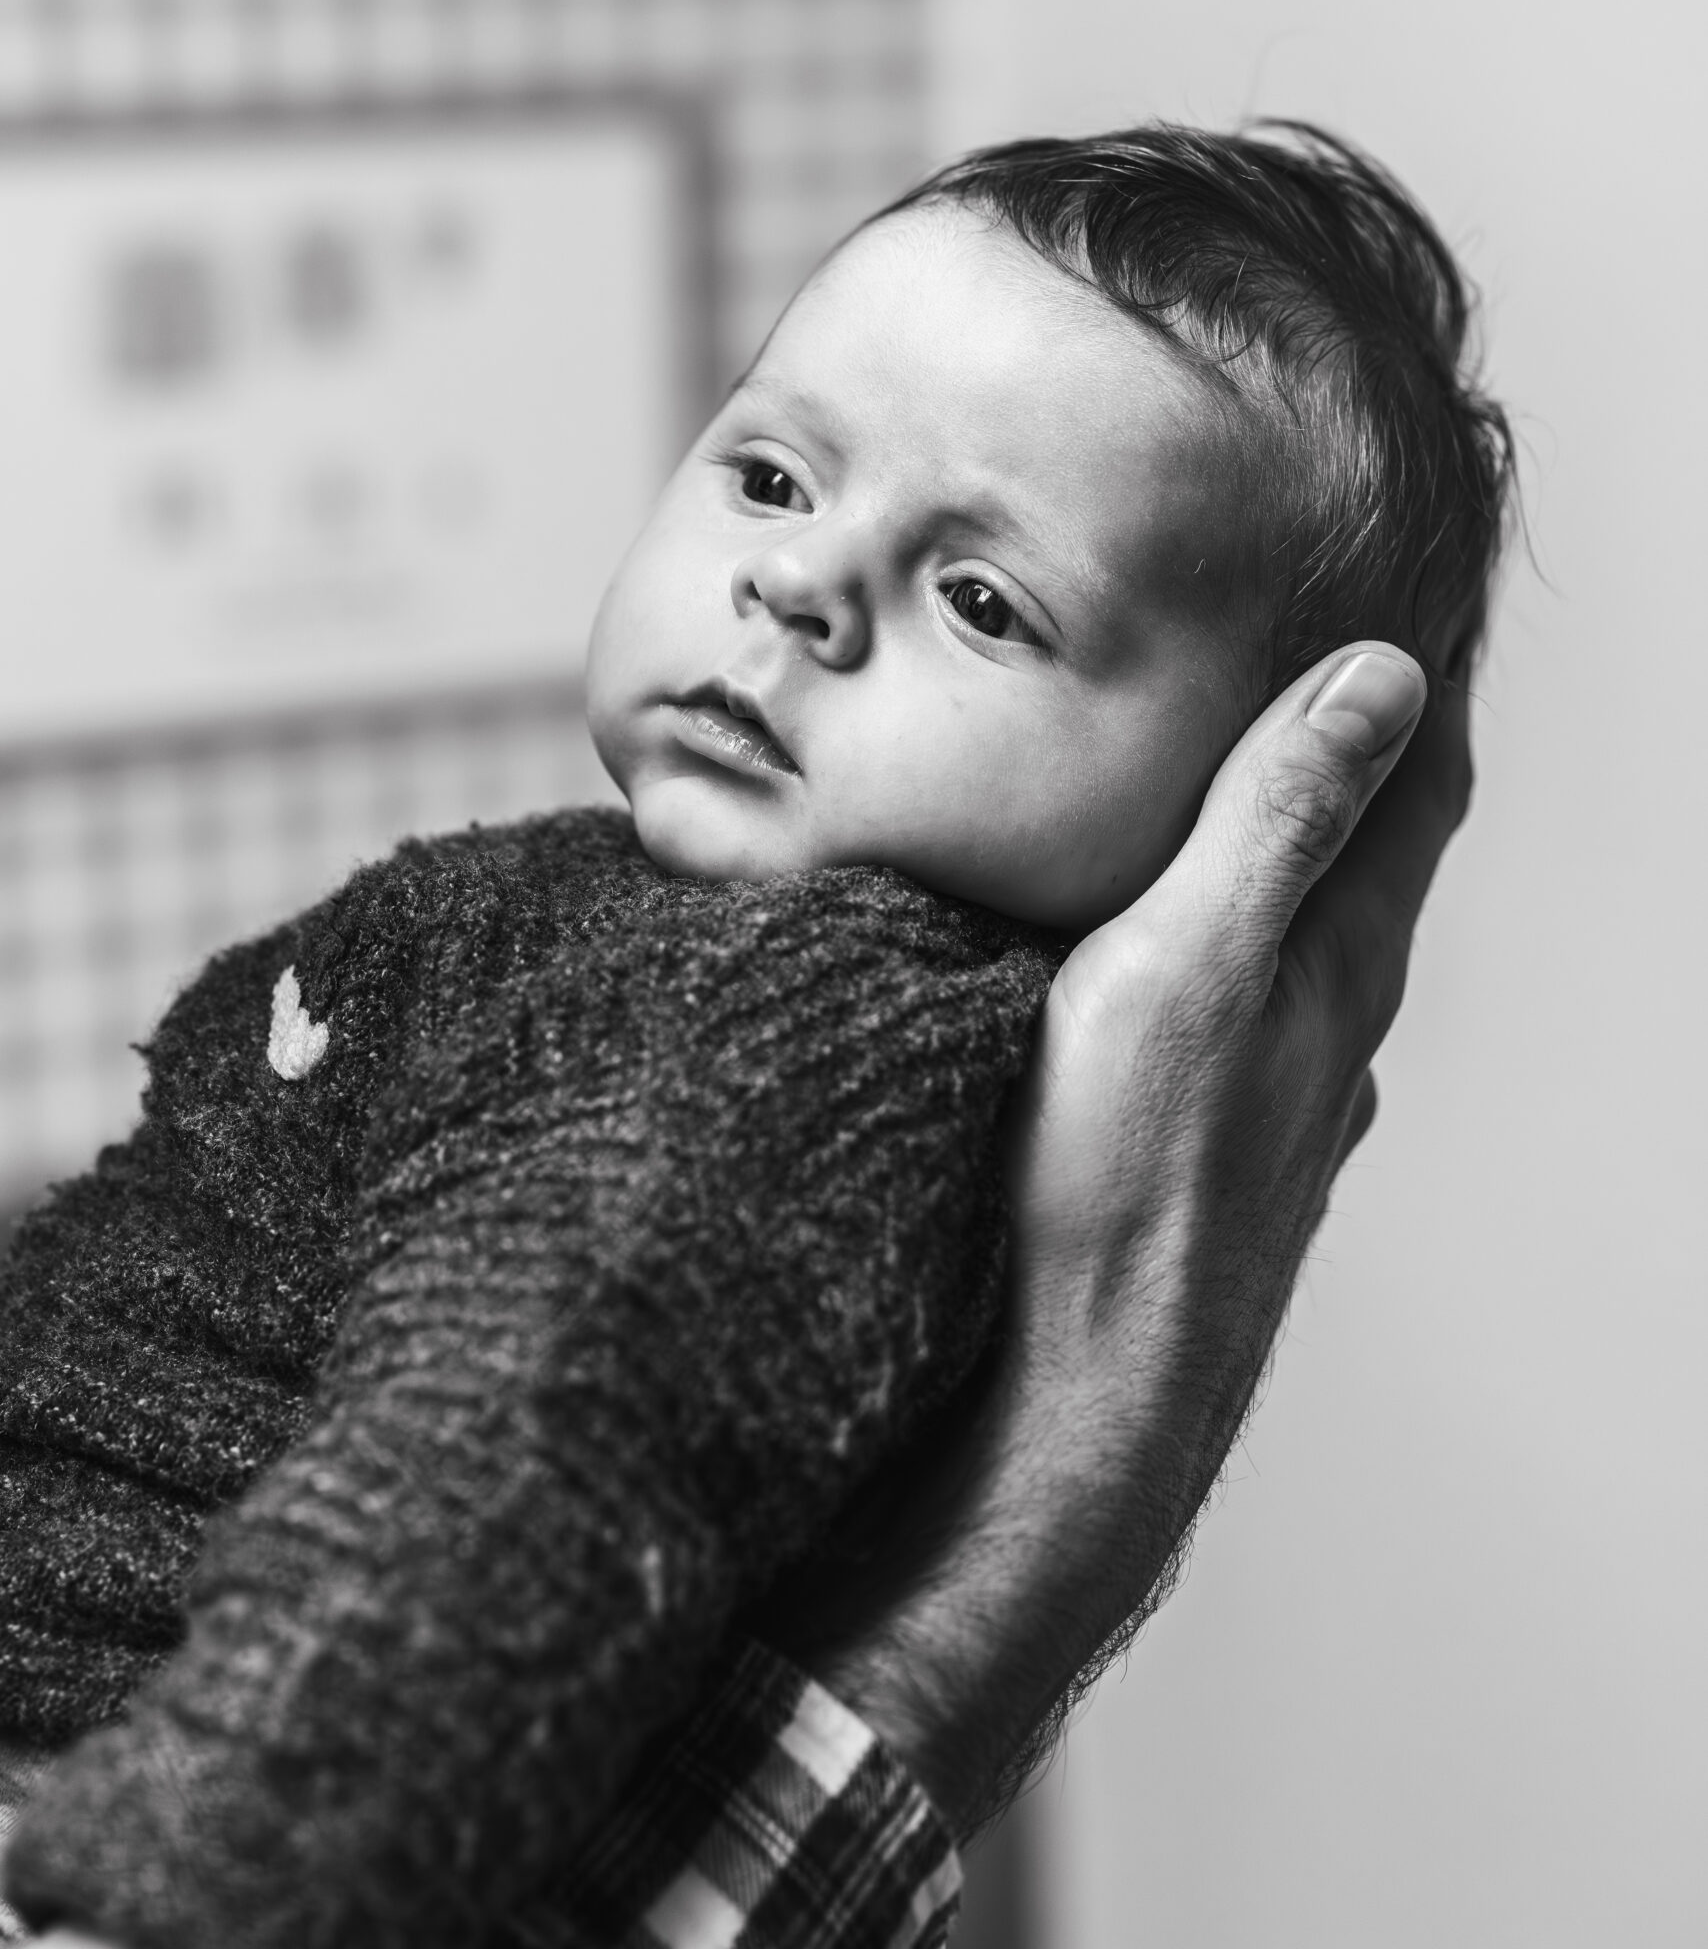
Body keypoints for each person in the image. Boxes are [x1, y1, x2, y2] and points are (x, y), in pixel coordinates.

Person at [0, 127, 1508, 1945]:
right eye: (775, 476)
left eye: (984, 601)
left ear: (1228, 817)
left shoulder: (811, 1034)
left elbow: (500, 1485)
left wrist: (174, 1904)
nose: (798, 585)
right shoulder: (650, 931)